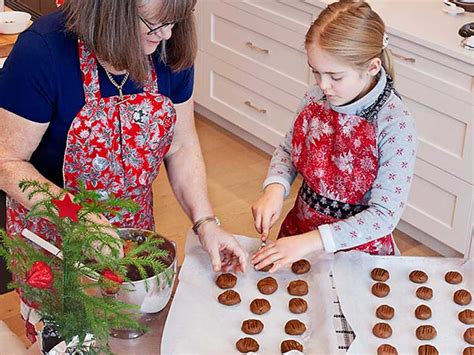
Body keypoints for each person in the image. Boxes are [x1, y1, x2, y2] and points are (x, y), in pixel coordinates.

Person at [0, 0, 246, 343]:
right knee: (68, 341)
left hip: (132, 234)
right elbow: (7, 164)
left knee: (128, 337)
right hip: (55, 237)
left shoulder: (168, 45)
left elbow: (182, 145)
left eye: (176, 20)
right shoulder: (42, 52)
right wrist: (77, 216)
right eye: (154, 25)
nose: (167, 35)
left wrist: (206, 222)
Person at [251, 0, 416, 273]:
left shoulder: (395, 124)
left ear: (372, 67)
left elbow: (383, 216)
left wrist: (311, 242)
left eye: (334, 76)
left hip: (358, 254)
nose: (322, 85)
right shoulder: (315, 97)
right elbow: (287, 150)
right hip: (299, 233)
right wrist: (275, 189)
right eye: (315, 71)